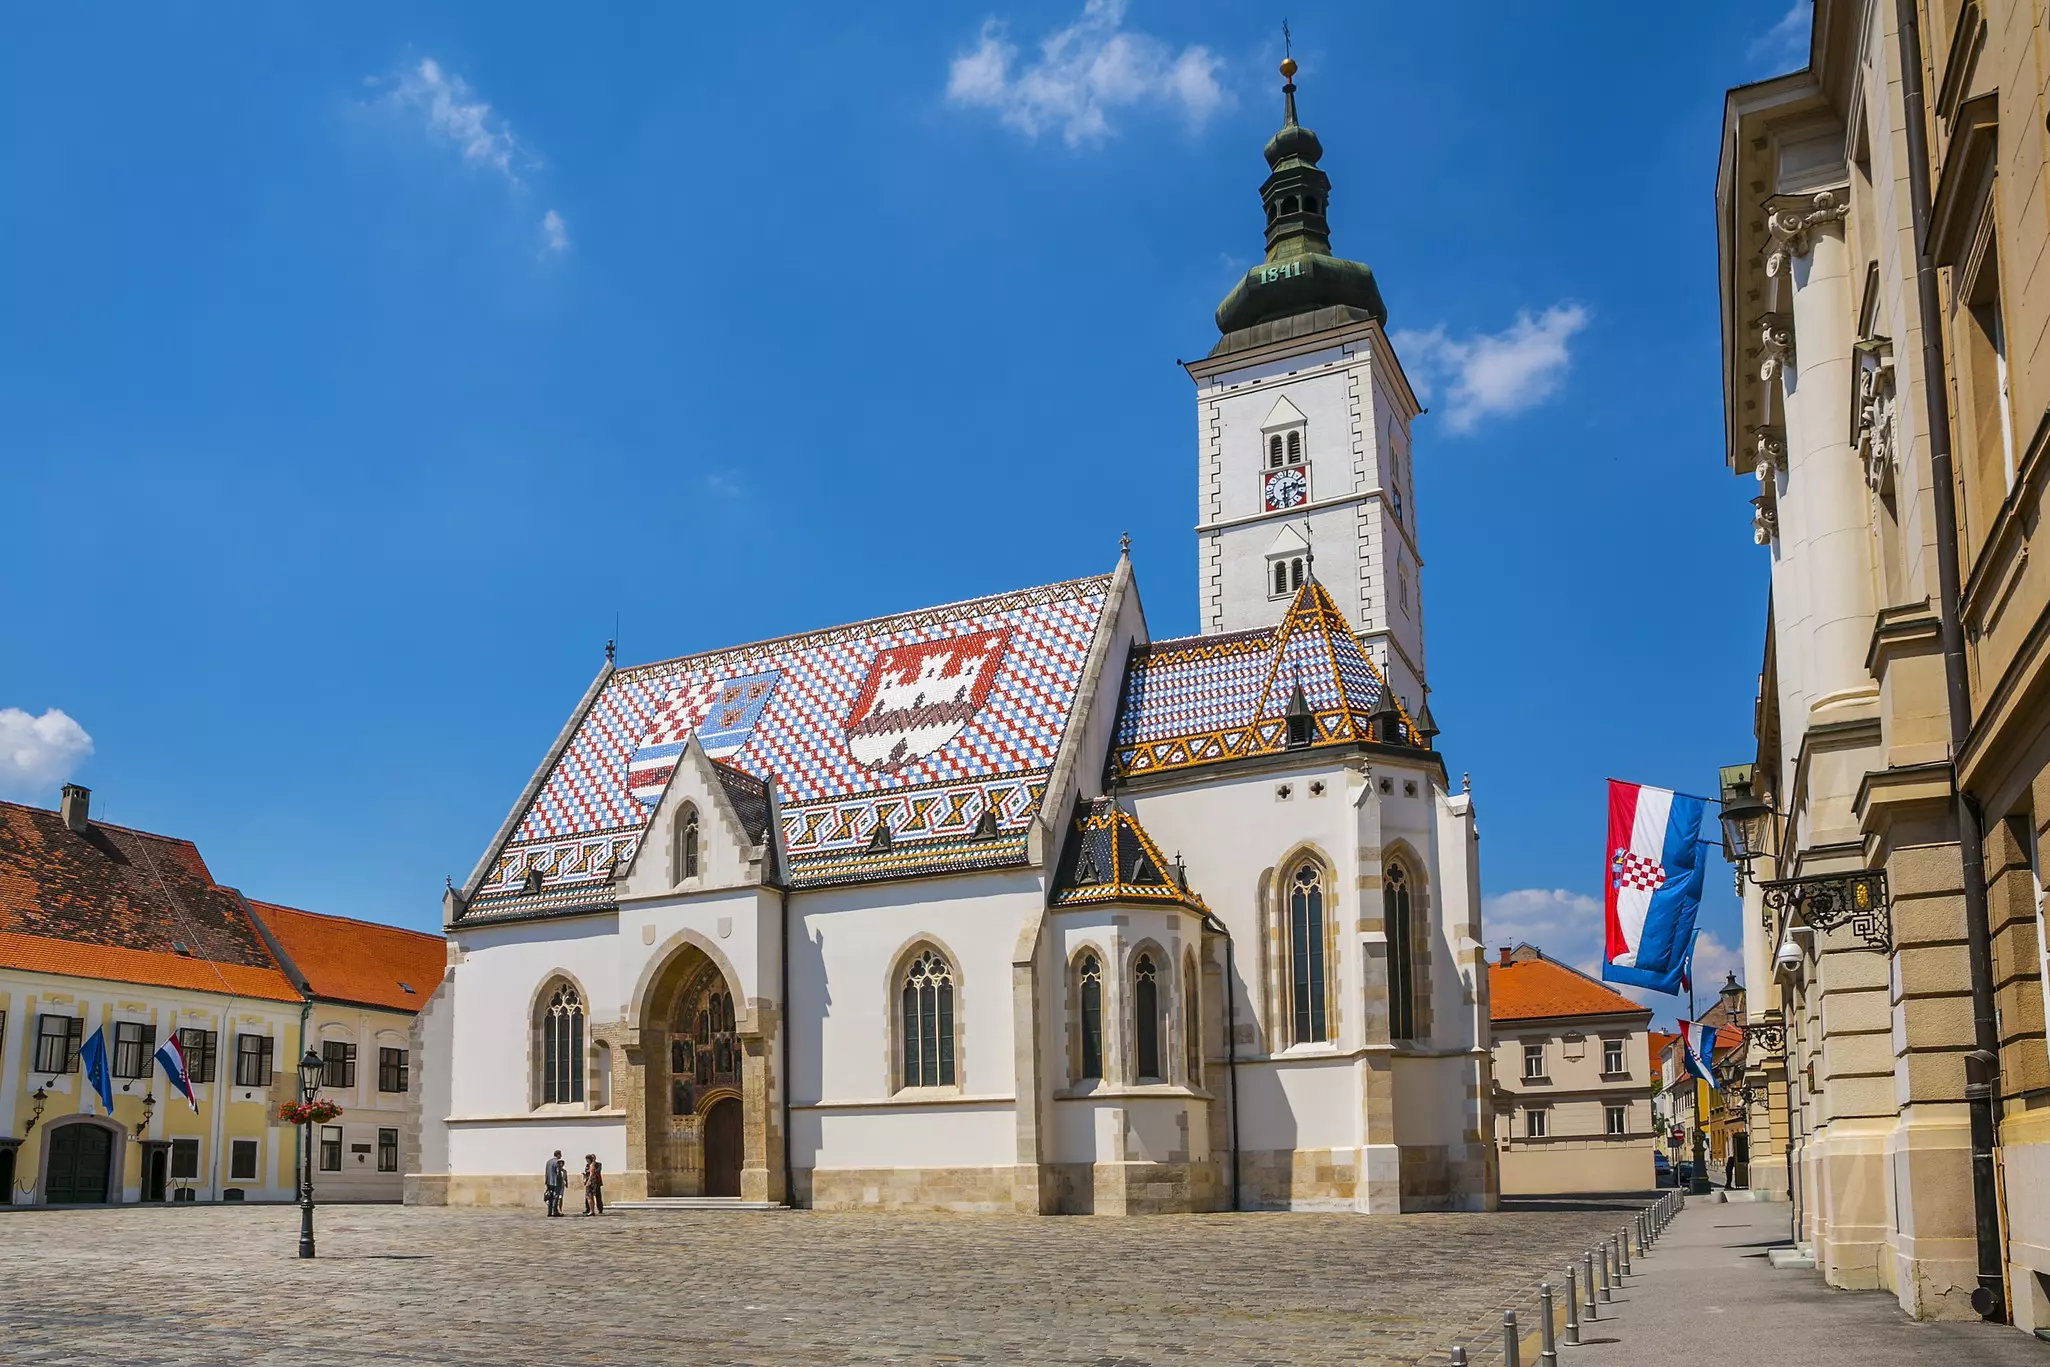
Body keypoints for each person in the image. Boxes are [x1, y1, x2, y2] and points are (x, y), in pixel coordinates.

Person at [543, 1150, 566, 1216]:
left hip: (549, 1181)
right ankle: (554, 1211)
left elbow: (546, 1172)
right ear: (558, 1154)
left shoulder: (548, 1162)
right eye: (560, 1154)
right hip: (556, 1182)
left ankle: (549, 1211)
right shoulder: (557, 1162)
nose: (561, 1156)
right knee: (556, 1196)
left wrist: (547, 1181)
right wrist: (560, 1180)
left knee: (550, 1196)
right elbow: (558, 1172)